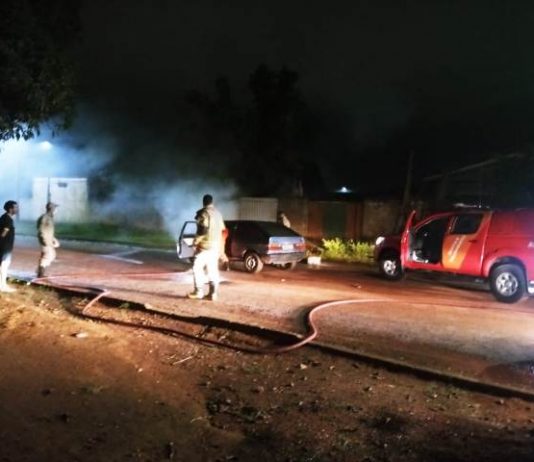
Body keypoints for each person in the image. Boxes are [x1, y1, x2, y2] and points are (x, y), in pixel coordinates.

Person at [188, 194, 226, 301]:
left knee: (197, 267)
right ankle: (213, 294)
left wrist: (195, 242)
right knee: (212, 270)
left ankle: (198, 292)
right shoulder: (218, 214)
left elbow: (202, 231)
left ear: (203, 202)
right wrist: (221, 249)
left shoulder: (204, 214)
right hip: (215, 247)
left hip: (205, 247)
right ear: (212, 202)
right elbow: (223, 231)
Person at [36, 202, 60, 278]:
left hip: (48, 240)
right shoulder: (45, 218)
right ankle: (40, 272)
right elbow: (41, 230)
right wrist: (44, 240)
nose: (56, 210)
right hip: (45, 240)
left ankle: (40, 270)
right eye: (55, 208)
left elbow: (49, 230)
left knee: (50, 255)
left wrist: (53, 239)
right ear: (51, 209)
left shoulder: (49, 218)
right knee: (48, 255)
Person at [0, 200, 19, 293]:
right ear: (10, 209)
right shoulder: (8, 220)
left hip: (4, 247)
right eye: (16, 207)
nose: (17, 209)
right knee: (4, 266)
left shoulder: (3, 217)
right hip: (5, 248)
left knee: (3, 266)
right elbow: (3, 233)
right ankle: (2, 286)